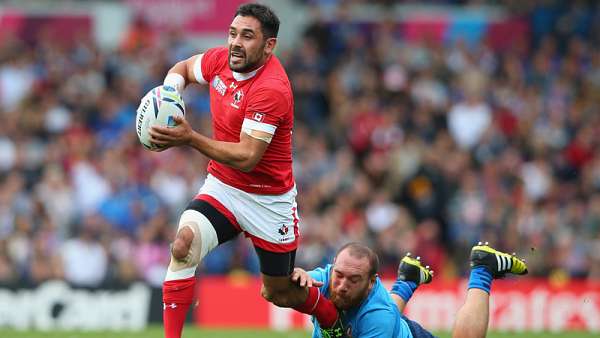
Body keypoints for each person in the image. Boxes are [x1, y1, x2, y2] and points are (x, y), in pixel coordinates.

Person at [144, 4, 342, 338]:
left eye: (247, 36)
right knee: (183, 245)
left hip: (268, 201)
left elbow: (248, 156)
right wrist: (169, 95)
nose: (236, 42)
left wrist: (189, 137)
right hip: (223, 186)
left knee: (276, 292)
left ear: (269, 45)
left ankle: (330, 317)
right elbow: (183, 67)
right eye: (233, 33)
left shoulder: (272, 89)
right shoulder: (221, 60)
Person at [292, 241, 528, 338]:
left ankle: (483, 269)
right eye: (339, 276)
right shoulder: (323, 278)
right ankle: (407, 280)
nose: (342, 286)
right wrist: (296, 275)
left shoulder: (380, 318)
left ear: (372, 282)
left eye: (353, 280)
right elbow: (281, 288)